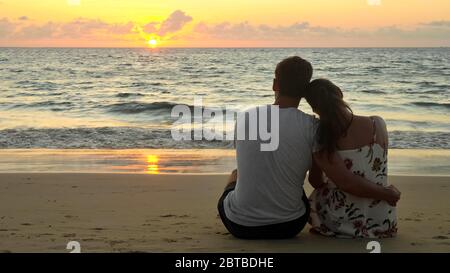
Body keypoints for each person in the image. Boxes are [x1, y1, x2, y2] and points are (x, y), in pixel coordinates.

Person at [217, 57, 400, 240]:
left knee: (237, 173)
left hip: (239, 226)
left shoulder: (245, 118)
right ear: (304, 91)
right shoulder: (313, 127)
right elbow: (342, 180)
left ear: (275, 85)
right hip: (289, 226)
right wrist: (387, 193)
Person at [306, 79, 399, 238]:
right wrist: (386, 194)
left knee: (315, 196)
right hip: (383, 218)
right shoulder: (377, 123)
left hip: (346, 222)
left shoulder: (322, 136)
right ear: (340, 93)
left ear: (315, 108)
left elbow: (317, 181)